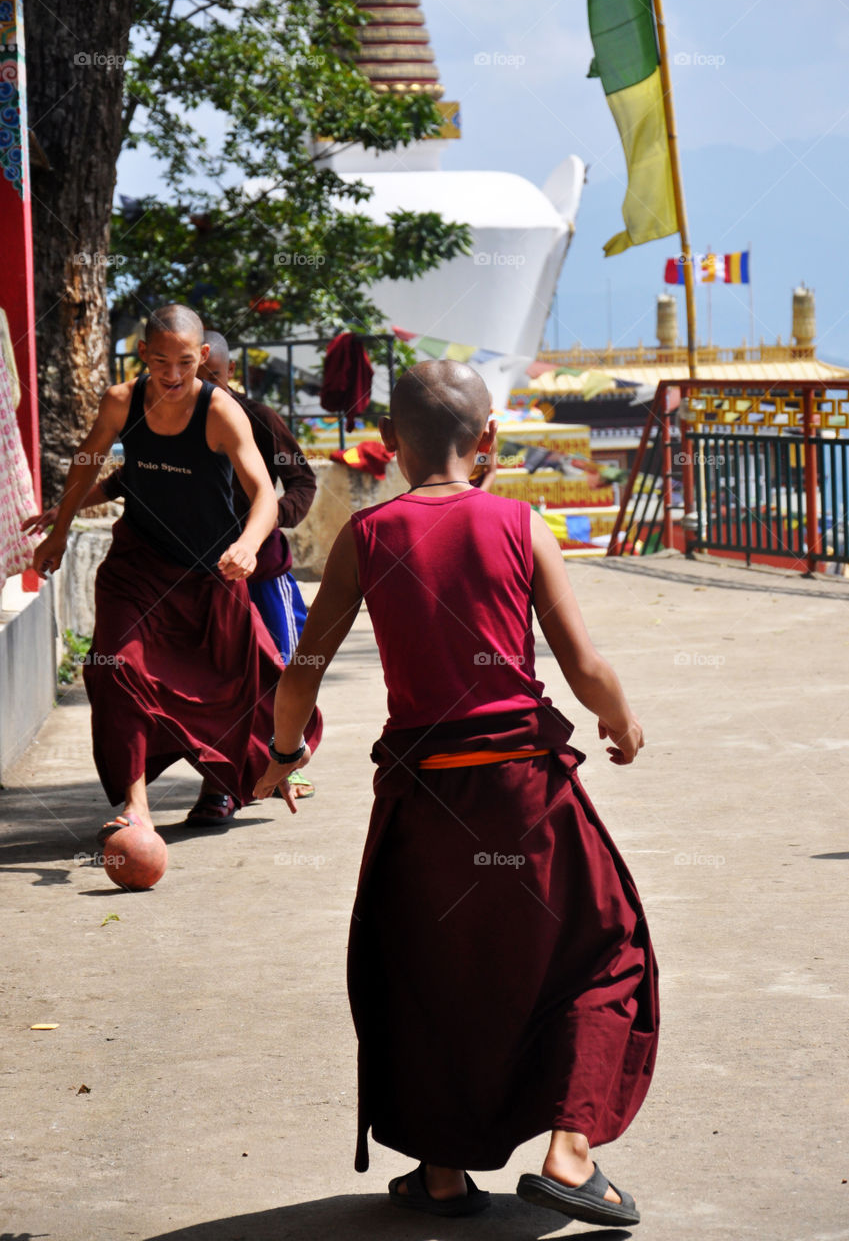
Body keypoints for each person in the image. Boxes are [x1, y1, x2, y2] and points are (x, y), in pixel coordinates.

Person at [253, 359, 658, 1226]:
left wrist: (282, 755)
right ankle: (569, 1151)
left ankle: (440, 1176)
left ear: (391, 447)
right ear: (488, 444)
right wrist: (620, 725)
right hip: (523, 789)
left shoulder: (368, 536)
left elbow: (303, 671)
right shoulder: (517, 523)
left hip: (422, 802)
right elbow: (582, 666)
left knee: (435, 971)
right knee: (603, 948)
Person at [29, 303, 320, 837]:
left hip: (212, 573)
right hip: (138, 567)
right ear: (142, 355)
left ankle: (226, 783)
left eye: (185, 362)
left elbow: (264, 494)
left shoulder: (221, 412)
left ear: (203, 357)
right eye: (160, 362)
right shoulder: (121, 401)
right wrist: (59, 529)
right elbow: (89, 462)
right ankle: (135, 804)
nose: (172, 375)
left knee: (234, 687)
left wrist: (251, 545)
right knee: (115, 667)